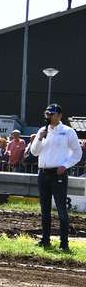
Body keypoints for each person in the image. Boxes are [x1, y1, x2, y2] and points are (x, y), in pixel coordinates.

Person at [30, 103, 82, 251]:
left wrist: (65, 165)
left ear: (59, 116)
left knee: (61, 210)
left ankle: (64, 243)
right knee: (44, 210)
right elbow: (34, 152)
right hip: (43, 173)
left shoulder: (68, 132)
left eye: (51, 114)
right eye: (47, 114)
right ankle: (45, 239)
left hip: (58, 174)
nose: (48, 117)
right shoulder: (42, 131)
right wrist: (39, 138)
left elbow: (77, 153)